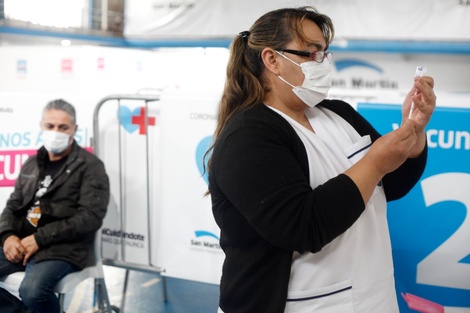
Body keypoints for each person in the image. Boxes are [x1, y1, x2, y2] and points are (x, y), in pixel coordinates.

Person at [205, 6, 436, 313]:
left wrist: (415, 129)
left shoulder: (337, 113)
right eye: (311, 53)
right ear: (272, 59)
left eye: (324, 54)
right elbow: (302, 227)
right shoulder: (248, 135)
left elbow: (391, 184)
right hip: (298, 303)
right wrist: (375, 162)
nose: (322, 63)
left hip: (372, 295)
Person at [0, 99, 110, 313]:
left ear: (74, 130)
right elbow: (13, 206)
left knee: (33, 291)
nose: (55, 132)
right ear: (42, 125)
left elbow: (90, 217)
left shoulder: (90, 166)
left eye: (63, 127)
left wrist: (40, 239)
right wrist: (7, 236)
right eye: (50, 126)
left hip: (64, 248)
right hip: (23, 242)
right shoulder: (32, 163)